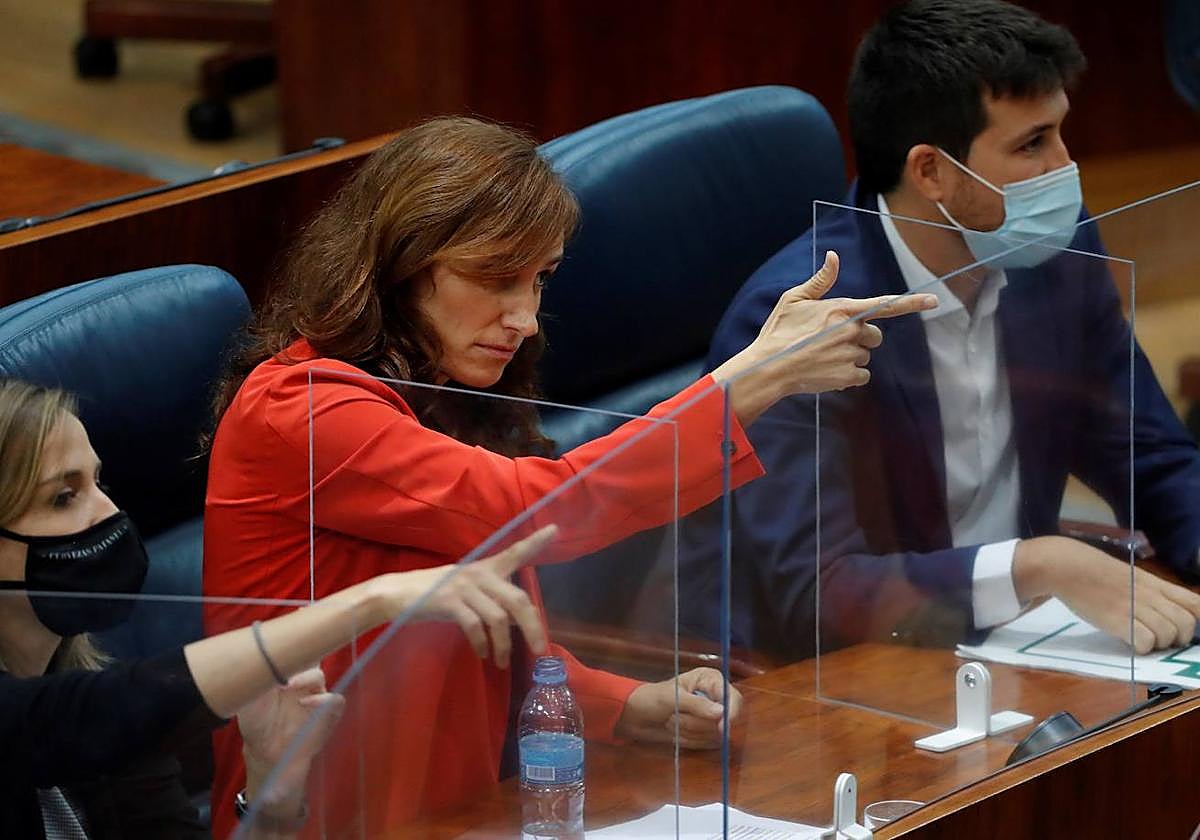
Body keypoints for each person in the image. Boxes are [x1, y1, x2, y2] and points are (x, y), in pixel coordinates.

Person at [200, 116, 936, 833]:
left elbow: (488, 632)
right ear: (399, 264)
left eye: (541, 278)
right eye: (494, 278)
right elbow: (530, 511)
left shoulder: (443, 388)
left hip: (463, 809)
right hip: (317, 817)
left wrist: (622, 703)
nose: (524, 317)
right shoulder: (295, 408)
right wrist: (744, 384)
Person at [682, 0, 1200, 662]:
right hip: (858, 677)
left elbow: (1149, 454)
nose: (1066, 170)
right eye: (1032, 144)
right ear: (931, 172)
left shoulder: (1057, 255)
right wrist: (1035, 565)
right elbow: (817, 590)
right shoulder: (798, 323)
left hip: (1030, 645)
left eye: (1061, 132)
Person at [0, 379, 562, 837]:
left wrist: (271, 796)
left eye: (100, 482)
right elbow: (79, 721)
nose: (110, 512)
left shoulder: (111, 721)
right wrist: (371, 601)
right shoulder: (96, 715)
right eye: (63, 497)